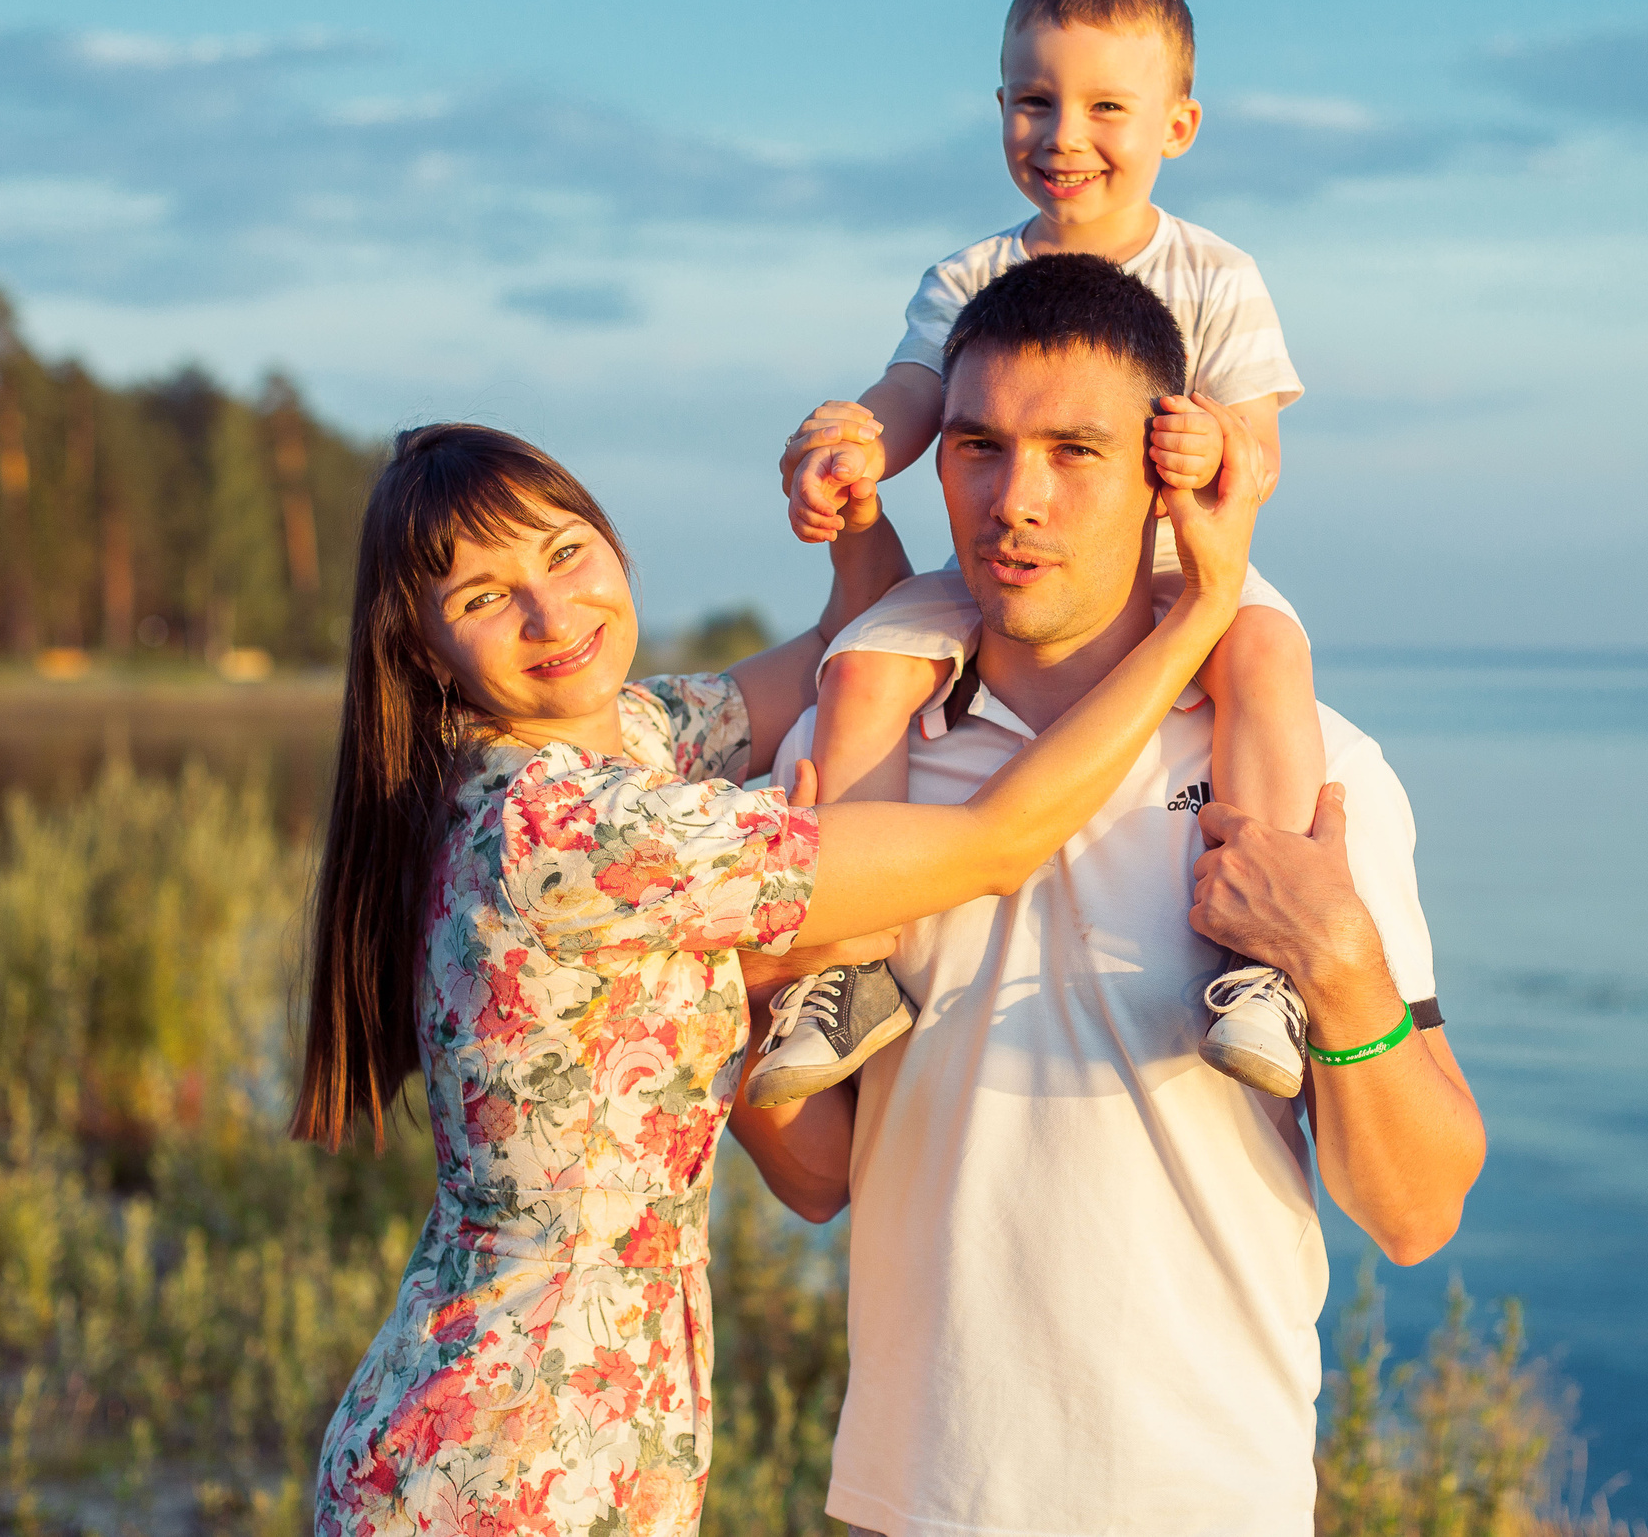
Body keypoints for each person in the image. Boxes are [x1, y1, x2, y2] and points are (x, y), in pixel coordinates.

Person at [297, 414, 1266, 1535]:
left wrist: (854, 512)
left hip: (560, 1424)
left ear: (612, 545)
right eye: (483, 597)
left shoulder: (631, 742)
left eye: (565, 553)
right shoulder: (563, 827)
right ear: (423, 649)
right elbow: (999, 841)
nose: (552, 614)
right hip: (509, 1460)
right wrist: (1199, 612)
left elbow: (845, 646)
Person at [730, 255, 1488, 1537]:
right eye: (977, 446)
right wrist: (745, 993)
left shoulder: (1310, 769)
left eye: (1073, 451)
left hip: (1206, 1501)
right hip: (911, 1497)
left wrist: (1339, 962)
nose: (1013, 500)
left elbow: (1416, 1213)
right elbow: (815, 1180)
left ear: (1162, 475)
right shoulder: (857, 753)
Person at [749, 0, 1324, 1111]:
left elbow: (1261, 447)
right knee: (862, 667)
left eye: (1107, 107)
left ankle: (1262, 962)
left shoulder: (1215, 276)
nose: (1064, 135)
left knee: (1265, 651)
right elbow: (916, 393)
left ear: (1178, 126)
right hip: (1009, 573)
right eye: (1034, 101)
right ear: (1000, 108)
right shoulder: (970, 275)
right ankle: (852, 962)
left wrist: (1215, 443)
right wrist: (854, 448)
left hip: (1175, 568)